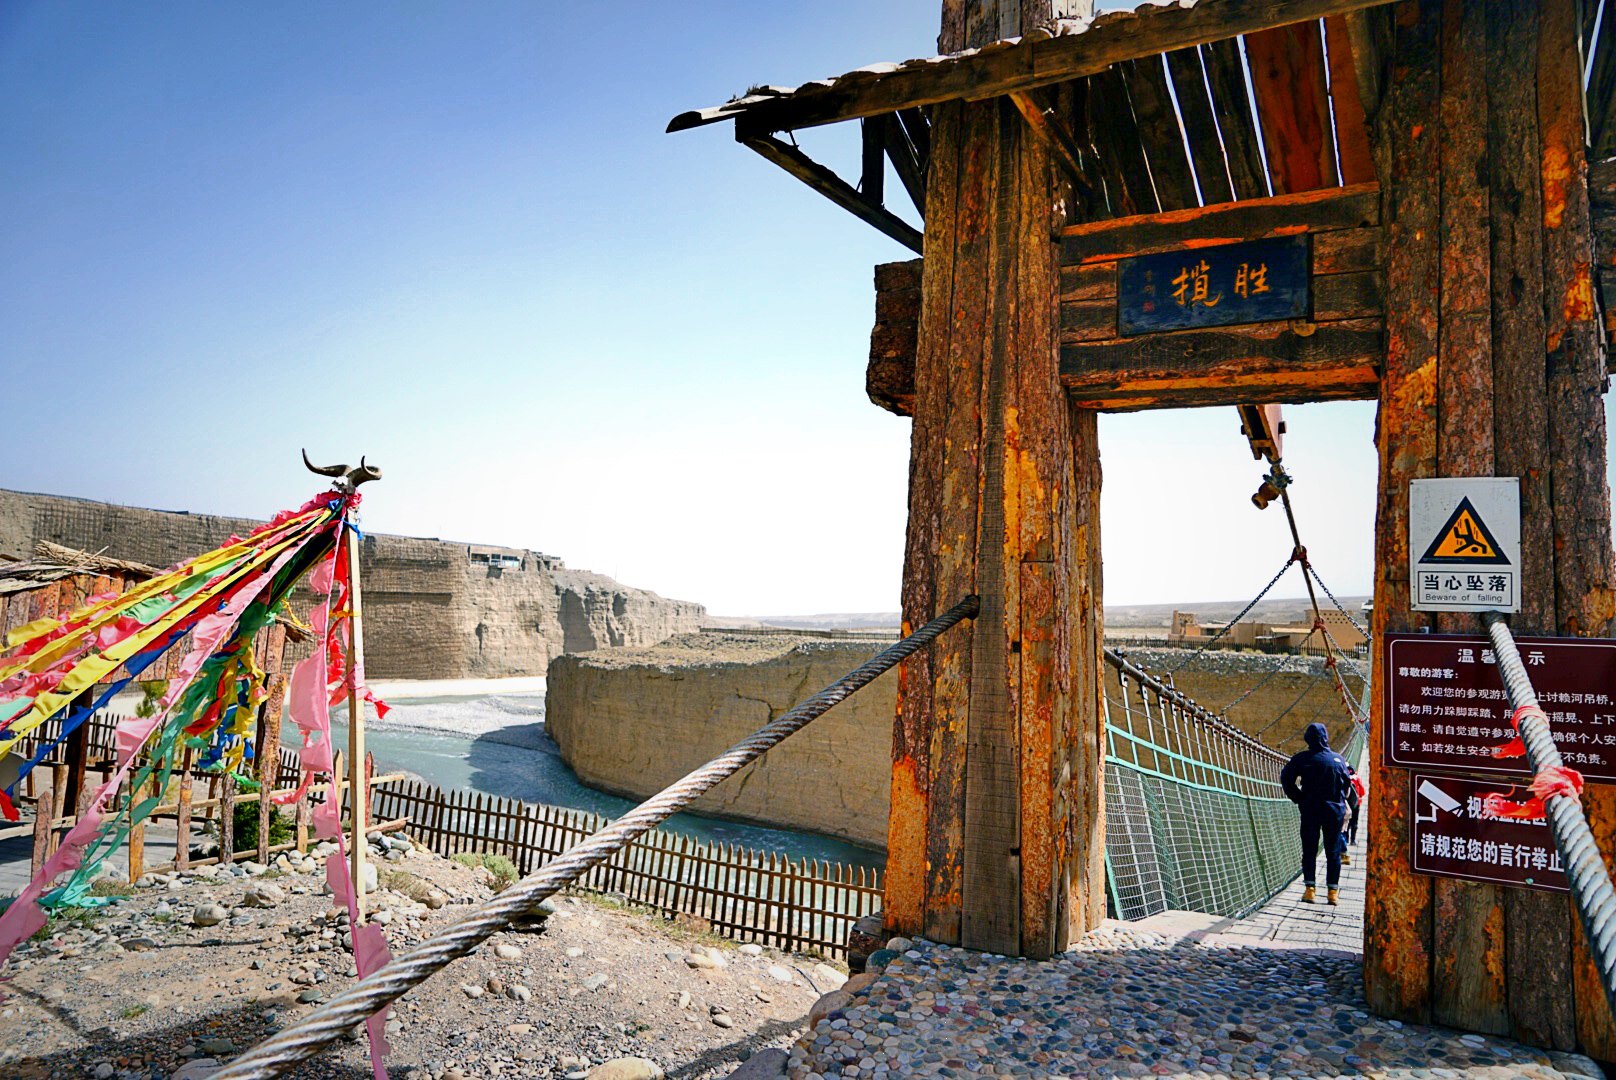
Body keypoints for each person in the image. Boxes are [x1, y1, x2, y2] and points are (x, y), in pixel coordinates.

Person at [1280, 722, 1354, 905]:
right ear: (1326, 738)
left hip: (1310, 810)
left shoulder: (1302, 759)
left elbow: (1286, 778)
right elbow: (1347, 786)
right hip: (1334, 812)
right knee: (1333, 852)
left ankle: (1310, 890)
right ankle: (1332, 894)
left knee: (1309, 850)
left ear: (1308, 739)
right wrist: (1340, 801)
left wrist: (1298, 798)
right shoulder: (1338, 760)